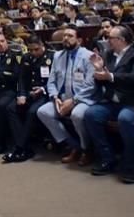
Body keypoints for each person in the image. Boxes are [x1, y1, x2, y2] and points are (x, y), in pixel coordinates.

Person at [84, 25, 134, 183]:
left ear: (121, 40)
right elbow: (102, 78)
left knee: (125, 119)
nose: (107, 41)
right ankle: (108, 158)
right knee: (91, 114)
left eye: (110, 38)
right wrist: (99, 70)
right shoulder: (108, 54)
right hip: (113, 101)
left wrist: (110, 76)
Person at [36, 25, 96, 166]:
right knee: (43, 111)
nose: (65, 38)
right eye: (64, 36)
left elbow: (91, 86)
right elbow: (51, 82)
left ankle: (87, 149)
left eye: (70, 36)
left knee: (77, 115)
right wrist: (55, 97)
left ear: (79, 40)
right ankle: (74, 145)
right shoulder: (58, 56)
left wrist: (73, 101)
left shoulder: (89, 56)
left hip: (82, 99)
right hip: (62, 98)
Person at [4, 35, 53, 163]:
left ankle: (19, 148)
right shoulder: (26, 58)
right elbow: (22, 79)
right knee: (11, 108)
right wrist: (21, 94)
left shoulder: (51, 57)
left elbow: (55, 81)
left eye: (36, 49)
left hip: (45, 93)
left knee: (32, 112)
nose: (33, 53)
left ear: (42, 45)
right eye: (31, 50)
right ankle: (25, 148)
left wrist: (42, 89)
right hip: (29, 93)